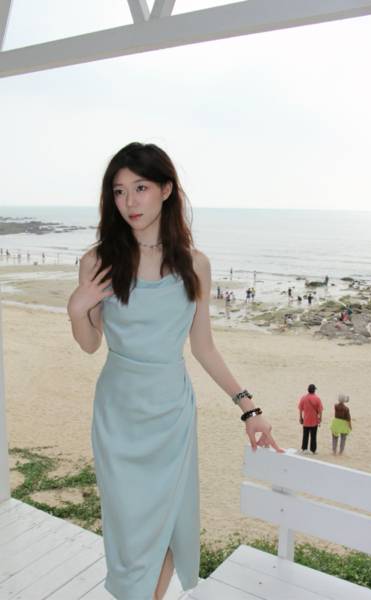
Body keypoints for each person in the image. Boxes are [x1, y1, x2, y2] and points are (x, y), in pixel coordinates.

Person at [66, 142, 283, 600]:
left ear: (166, 189)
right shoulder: (97, 261)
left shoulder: (195, 265)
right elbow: (89, 344)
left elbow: (203, 347)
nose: (129, 201)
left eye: (140, 188)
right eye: (119, 191)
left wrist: (249, 409)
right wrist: (76, 308)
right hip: (117, 415)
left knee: (164, 523)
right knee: (128, 534)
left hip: (171, 415)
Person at [298, 384, 323, 454]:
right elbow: (320, 410)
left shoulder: (303, 398)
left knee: (305, 435)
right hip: (314, 421)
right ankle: (313, 450)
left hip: (306, 420)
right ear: (314, 390)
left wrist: (300, 417)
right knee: (313, 436)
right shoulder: (317, 399)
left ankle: (304, 448)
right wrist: (320, 419)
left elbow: (300, 409)